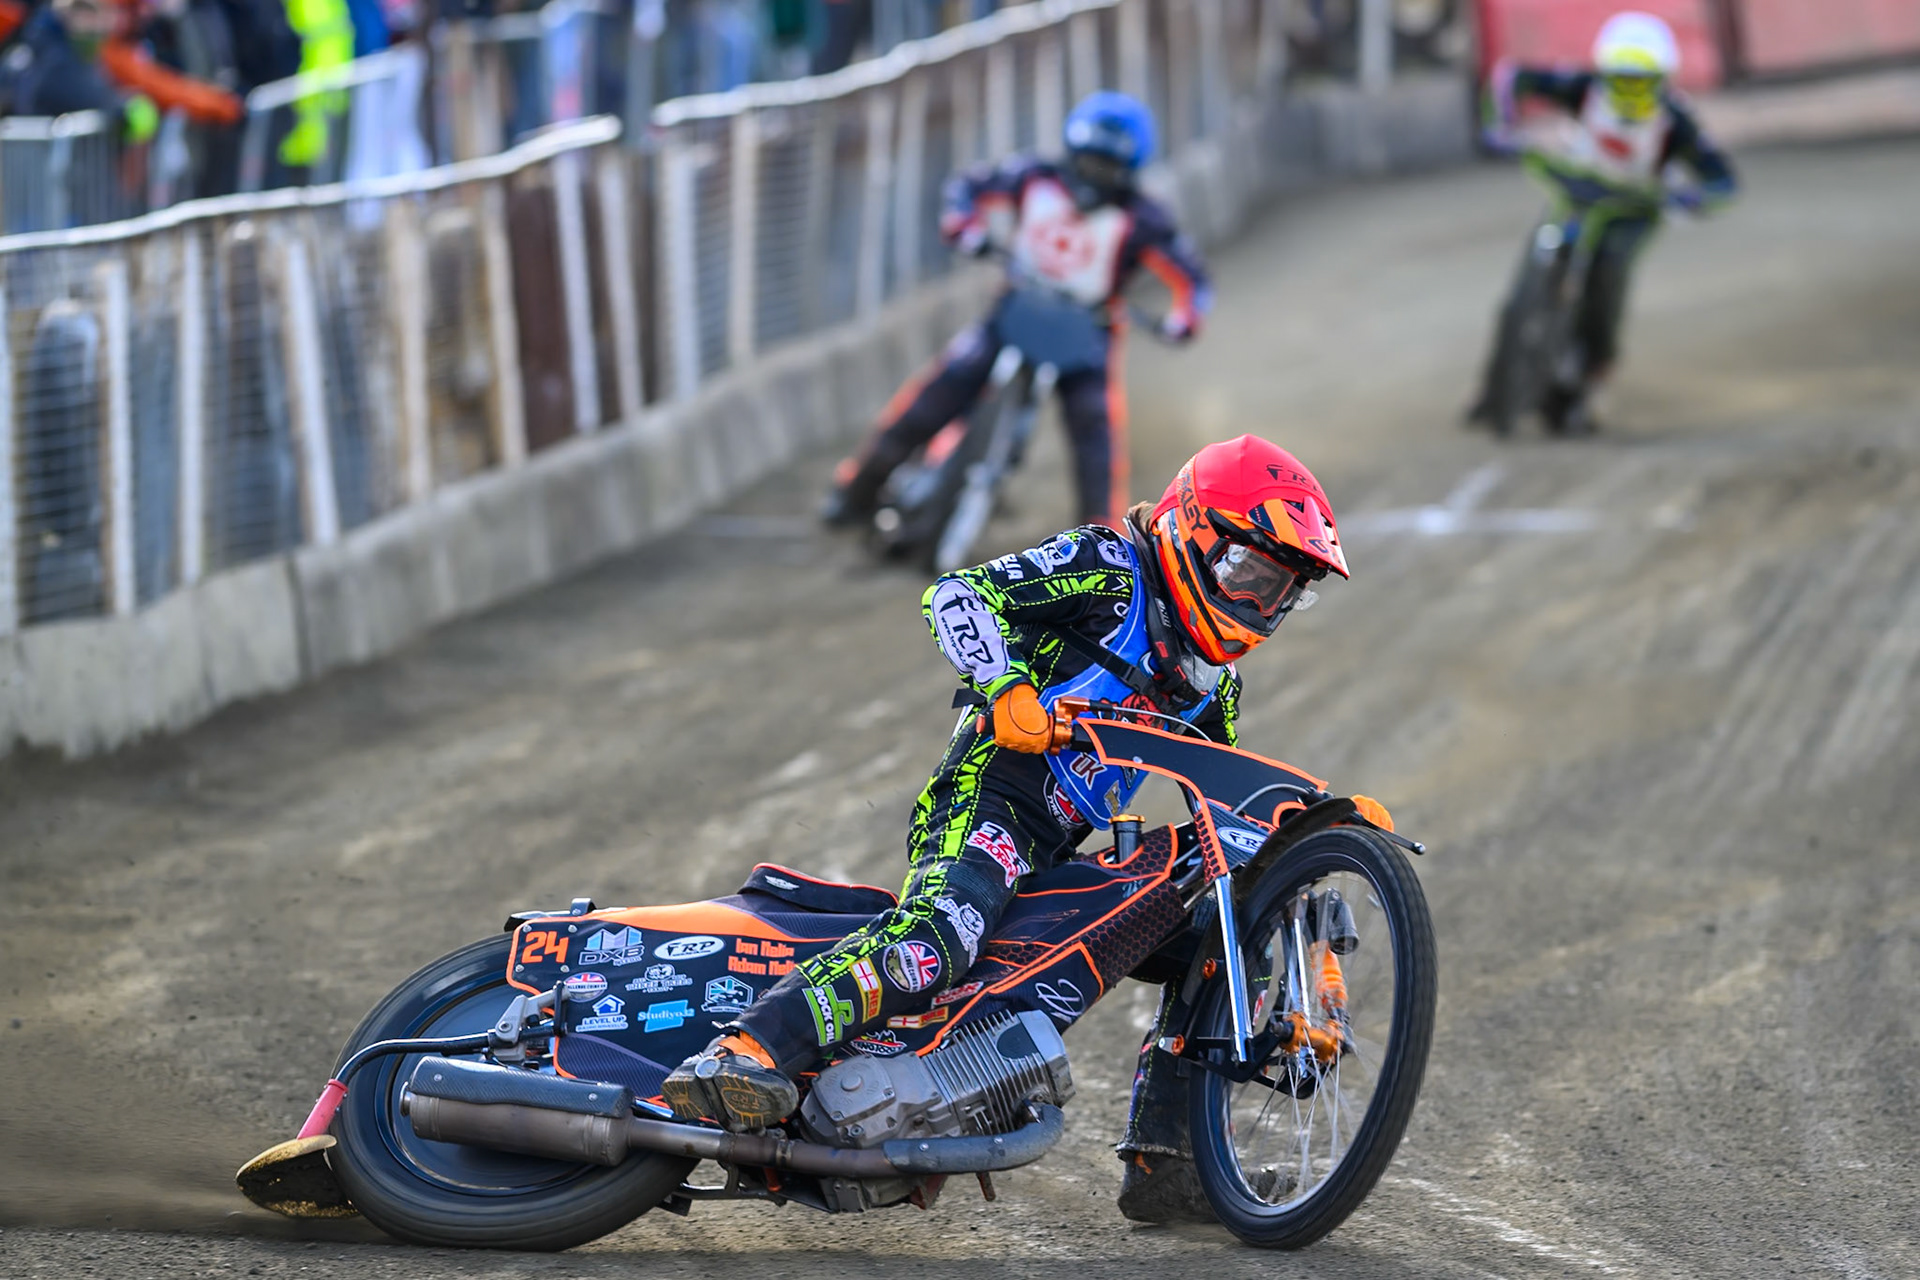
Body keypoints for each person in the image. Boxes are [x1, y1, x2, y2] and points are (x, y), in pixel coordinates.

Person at [666, 434, 1359, 1223]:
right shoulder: (1108, 564)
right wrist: (1004, 686)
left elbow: (1227, 816)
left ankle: (1169, 1161)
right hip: (990, 794)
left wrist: (1302, 943)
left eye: (1284, 593)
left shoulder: (1216, 690)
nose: (1262, 607)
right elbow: (957, 595)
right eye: (1251, 575)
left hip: (1060, 848)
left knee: (1221, 936)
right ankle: (745, 1050)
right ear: (1191, 531)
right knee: (937, 943)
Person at [820, 89, 1210, 533]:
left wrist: (1183, 322)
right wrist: (964, 228)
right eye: (1088, 161)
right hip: (1016, 310)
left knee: (1095, 430)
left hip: (1088, 330)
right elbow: (965, 188)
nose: (1094, 177)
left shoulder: (1145, 218)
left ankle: (1104, 537)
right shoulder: (1034, 176)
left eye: (1108, 167)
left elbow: (1194, 280)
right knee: (939, 390)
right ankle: (858, 485)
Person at [1468, 10, 1736, 429]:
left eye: (1641, 81)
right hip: (1578, 192)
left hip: (1634, 209)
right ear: (1604, 74)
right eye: (1620, 79)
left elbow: (1722, 180)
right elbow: (1511, 76)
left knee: (1608, 277)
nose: (1629, 90)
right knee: (1528, 275)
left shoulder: (1676, 120)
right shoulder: (1583, 89)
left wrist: (1692, 197)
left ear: (1662, 80)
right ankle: (1497, 383)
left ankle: (1593, 374)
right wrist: (1501, 122)